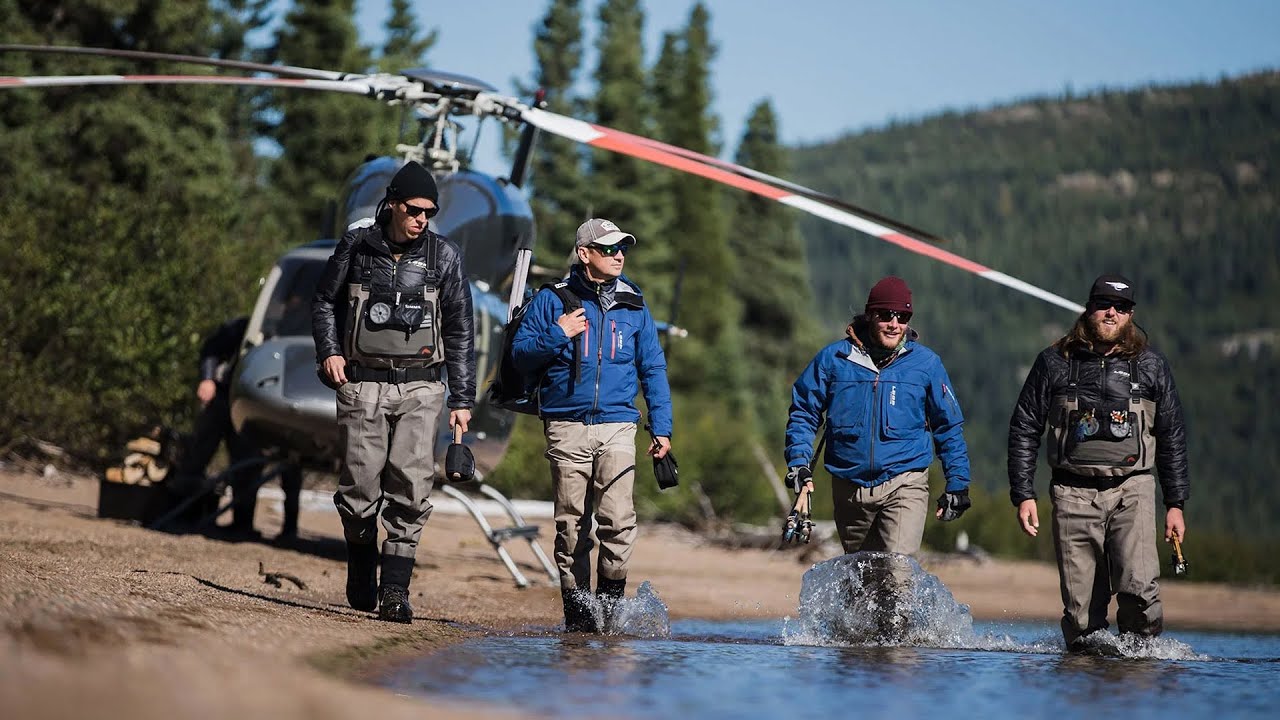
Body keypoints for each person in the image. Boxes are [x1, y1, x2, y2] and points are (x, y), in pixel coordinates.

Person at [312, 160, 475, 624]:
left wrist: (462, 400)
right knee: (359, 489)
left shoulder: (444, 256)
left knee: (411, 487)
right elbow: (324, 301)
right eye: (414, 209)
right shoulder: (356, 245)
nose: (423, 218)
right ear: (393, 204)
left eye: (430, 211)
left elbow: (462, 330)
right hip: (362, 384)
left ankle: (396, 592)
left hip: (422, 387)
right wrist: (329, 351)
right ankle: (361, 567)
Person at [1008, 273, 1188, 650]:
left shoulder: (1152, 365)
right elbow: (1025, 427)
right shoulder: (1054, 362)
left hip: (1133, 489)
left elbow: (1171, 436)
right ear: (1089, 309)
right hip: (1071, 493)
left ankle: (1139, 672)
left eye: (1120, 307)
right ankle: (1085, 678)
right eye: (1104, 304)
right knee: (1081, 614)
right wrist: (1023, 494)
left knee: (1139, 592)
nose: (1111, 313)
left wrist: (1175, 504)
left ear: (1131, 314)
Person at [512, 217, 673, 633]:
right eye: (608, 249)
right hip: (566, 426)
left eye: (622, 248)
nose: (619, 255)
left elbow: (652, 368)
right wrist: (558, 333)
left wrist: (663, 428)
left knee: (618, 523)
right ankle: (580, 624)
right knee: (571, 530)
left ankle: (611, 618)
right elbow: (520, 355)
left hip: (619, 425)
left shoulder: (635, 303)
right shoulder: (552, 300)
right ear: (584, 254)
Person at [785, 276, 972, 557]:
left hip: (905, 481)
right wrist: (799, 463)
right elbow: (803, 412)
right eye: (886, 315)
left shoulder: (927, 364)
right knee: (864, 583)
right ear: (870, 315)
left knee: (897, 572)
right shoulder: (833, 359)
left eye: (903, 316)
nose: (895, 324)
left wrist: (957, 482)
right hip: (848, 488)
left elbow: (949, 427)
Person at [175, 316, 301, 540]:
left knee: (247, 465)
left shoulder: (297, 331)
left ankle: (243, 524)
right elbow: (211, 349)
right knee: (196, 456)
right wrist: (208, 379)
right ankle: (181, 515)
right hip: (222, 398)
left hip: (250, 404)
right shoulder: (244, 327)